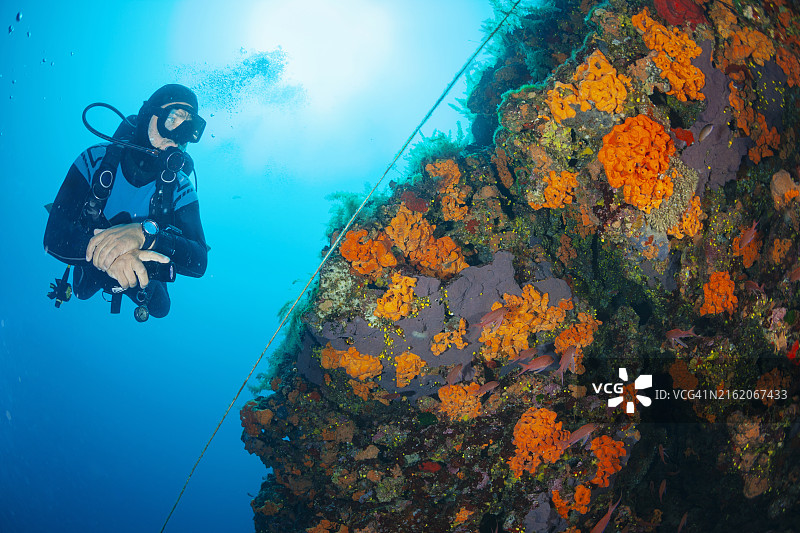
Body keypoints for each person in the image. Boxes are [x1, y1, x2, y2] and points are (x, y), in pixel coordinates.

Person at [44, 84, 208, 320]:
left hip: (138, 266)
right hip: (91, 255)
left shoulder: (180, 186)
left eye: (188, 128)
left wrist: (146, 236)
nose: (177, 137)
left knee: (161, 307)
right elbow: (53, 235)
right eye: (173, 118)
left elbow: (200, 260)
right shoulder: (96, 159)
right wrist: (114, 257)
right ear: (147, 114)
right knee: (80, 291)